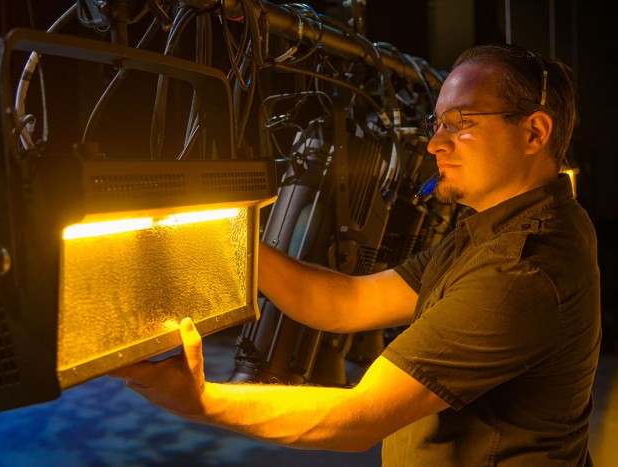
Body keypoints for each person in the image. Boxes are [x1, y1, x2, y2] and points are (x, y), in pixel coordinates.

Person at [111, 43, 601, 465]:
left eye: (461, 123)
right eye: (436, 123)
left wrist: (200, 402)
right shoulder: (490, 229)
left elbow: (359, 419)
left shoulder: (522, 269)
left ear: (534, 132)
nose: (434, 144)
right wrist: (226, 243)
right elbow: (349, 301)